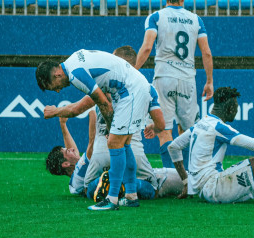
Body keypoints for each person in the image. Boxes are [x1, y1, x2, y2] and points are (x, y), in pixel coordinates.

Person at [36, 49, 164, 211]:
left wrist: (112, 129)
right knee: (124, 145)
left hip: (129, 91)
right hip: (135, 87)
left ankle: (112, 199)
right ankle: (131, 196)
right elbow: (85, 106)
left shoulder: (75, 75)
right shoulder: (74, 60)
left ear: (56, 75)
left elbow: (104, 103)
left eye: (53, 87)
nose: (58, 90)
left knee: (114, 144)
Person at [135, 0, 214, 169]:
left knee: (164, 129)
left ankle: (171, 175)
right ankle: (187, 175)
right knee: (187, 132)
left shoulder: (156, 17)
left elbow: (147, 47)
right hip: (187, 79)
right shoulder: (196, 19)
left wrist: (133, 70)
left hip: (164, 77)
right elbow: (206, 52)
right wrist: (209, 81)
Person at [45, 110, 184, 202]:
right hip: (127, 162)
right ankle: (121, 183)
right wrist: (93, 115)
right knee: (153, 190)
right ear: (65, 164)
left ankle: (115, 183)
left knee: (95, 188)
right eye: (66, 151)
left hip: (110, 171)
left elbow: (75, 152)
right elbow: (91, 146)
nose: (71, 149)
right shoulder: (79, 173)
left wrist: (63, 125)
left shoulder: (75, 180)